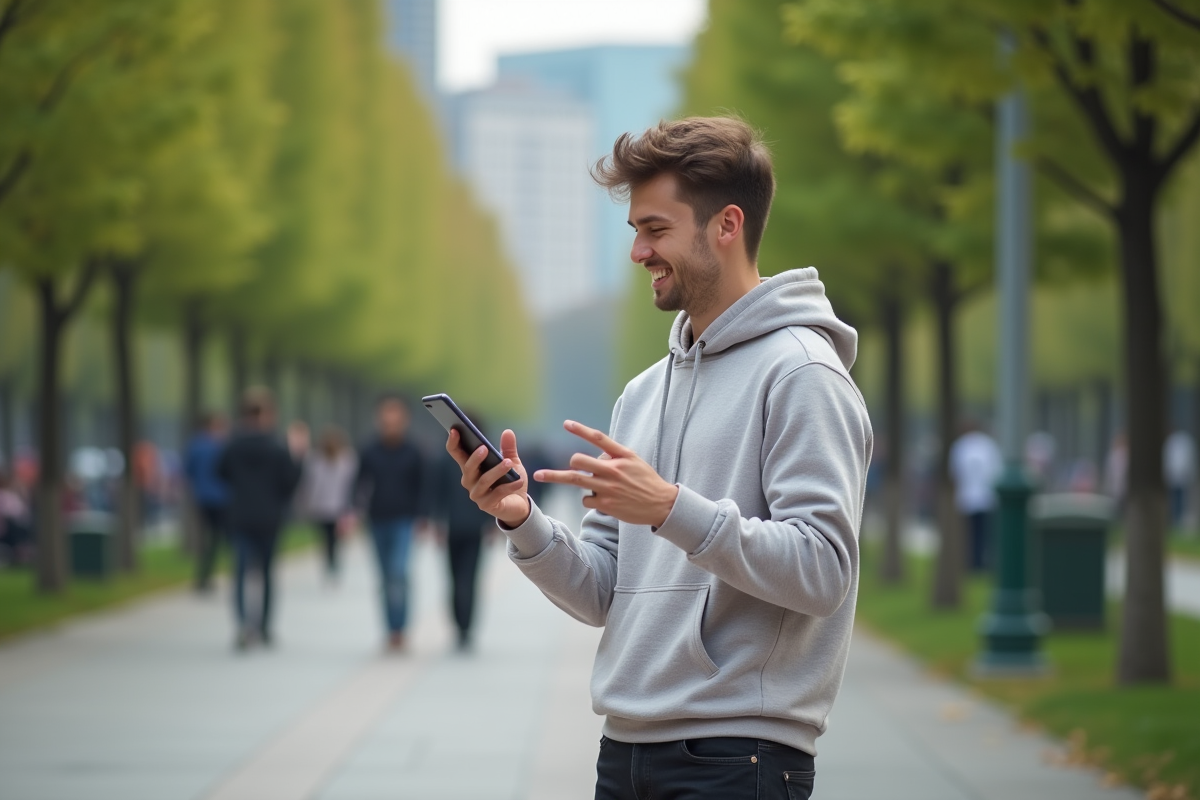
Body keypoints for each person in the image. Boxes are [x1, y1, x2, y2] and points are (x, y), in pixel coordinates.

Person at [446, 117, 872, 800]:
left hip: (740, 757)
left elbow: (823, 572)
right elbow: (602, 592)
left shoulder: (802, 374)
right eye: (634, 231)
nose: (639, 251)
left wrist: (673, 509)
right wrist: (522, 519)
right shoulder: (644, 393)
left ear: (726, 225)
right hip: (625, 753)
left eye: (656, 229)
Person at [217, 389, 305, 650]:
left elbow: (220, 473)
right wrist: (299, 456)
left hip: (240, 515)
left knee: (241, 572)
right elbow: (290, 483)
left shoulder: (233, 445)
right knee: (266, 573)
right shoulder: (277, 446)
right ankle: (264, 626)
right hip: (269, 517)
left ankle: (243, 625)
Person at [356, 396, 426, 651]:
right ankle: (390, 629)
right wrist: (353, 511)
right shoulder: (369, 450)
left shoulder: (414, 451)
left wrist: (423, 516)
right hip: (377, 519)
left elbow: (423, 486)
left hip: (404, 520)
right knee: (385, 577)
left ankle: (400, 628)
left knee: (399, 572)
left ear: (404, 420)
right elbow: (359, 482)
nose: (390, 423)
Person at [430, 411, 495, 651]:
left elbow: (437, 493)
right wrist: (491, 523)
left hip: (453, 527)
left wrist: (437, 522)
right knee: (469, 578)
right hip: (474, 527)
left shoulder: (444, 457)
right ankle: (465, 628)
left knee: (456, 579)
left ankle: (460, 626)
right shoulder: (485, 458)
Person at [300, 426, 358, 580]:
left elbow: (350, 484)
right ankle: (330, 562)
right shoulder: (316, 459)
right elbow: (311, 484)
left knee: (333, 538)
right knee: (327, 538)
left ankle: (332, 562)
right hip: (323, 506)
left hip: (337, 506)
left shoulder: (346, 459)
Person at [184, 412, 230, 593]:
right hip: (222, 498)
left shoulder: (195, 445)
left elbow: (188, 470)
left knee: (207, 538)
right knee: (219, 538)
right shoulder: (221, 446)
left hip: (202, 497)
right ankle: (207, 577)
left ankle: (203, 577)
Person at [949, 423, 1003, 573]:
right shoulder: (988, 445)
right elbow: (996, 470)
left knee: (970, 533)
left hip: (967, 497)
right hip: (986, 497)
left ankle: (973, 561)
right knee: (985, 532)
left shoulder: (960, 446)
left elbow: (955, 473)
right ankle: (982, 561)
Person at [1164, 429, 1196, 528]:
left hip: (1180, 476)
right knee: (1175, 498)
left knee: (1180, 498)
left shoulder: (1180, 442)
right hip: (1175, 476)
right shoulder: (1174, 442)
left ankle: (1177, 518)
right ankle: (1175, 518)